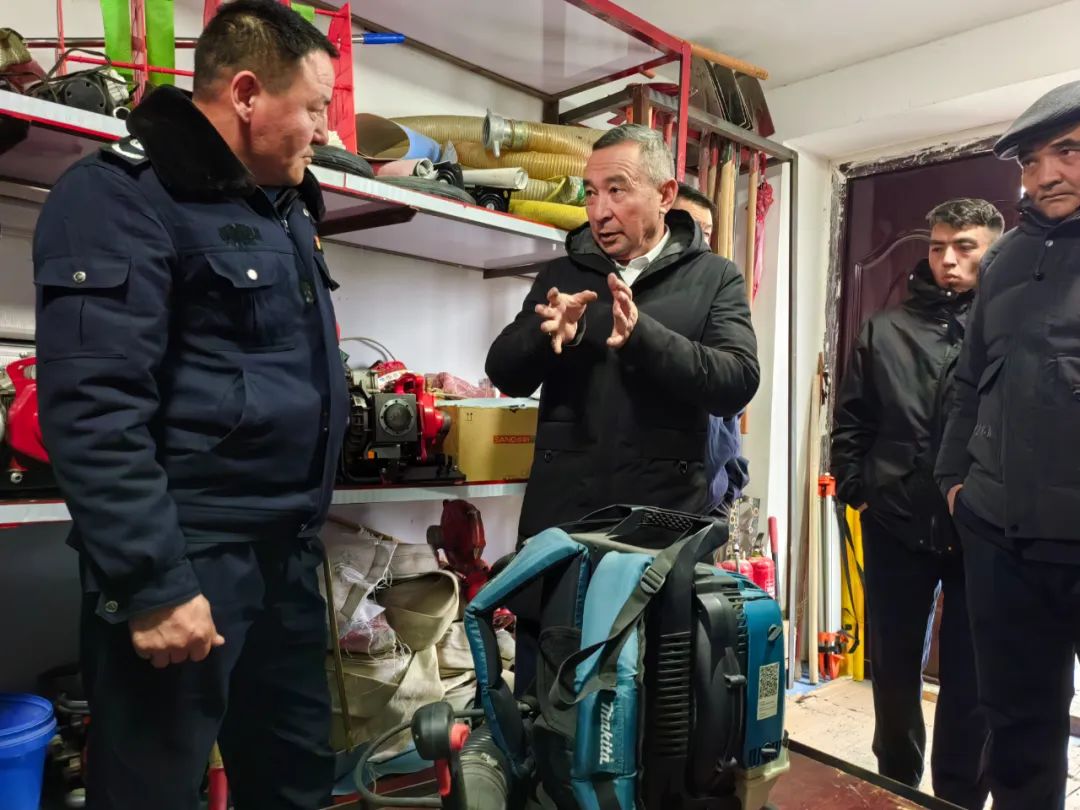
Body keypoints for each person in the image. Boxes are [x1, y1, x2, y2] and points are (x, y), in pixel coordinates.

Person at [32, 2, 347, 808]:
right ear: (246, 94)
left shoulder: (278, 206)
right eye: (314, 107)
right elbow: (94, 406)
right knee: (151, 790)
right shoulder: (120, 196)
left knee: (297, 783)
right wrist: (155, 583)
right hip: (189, 556)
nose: (324, 131)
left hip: (285, 555)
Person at [485, 125, 759, 540]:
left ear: (665, 195)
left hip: (661, 525)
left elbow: (737, 382)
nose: (599, 212)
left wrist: (642, 336)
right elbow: (504, 374)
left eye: (616, 191)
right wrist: (546, 336)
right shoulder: (563, 275)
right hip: (561, 522)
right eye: (591, 193)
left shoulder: (715, 277)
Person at [936, 80, 1080, 810]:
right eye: (1029, 161)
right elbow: (970, 382)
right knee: (1018, 731)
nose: (1044, 175)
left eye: (1068, 151)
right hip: (1000, 536)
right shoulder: (1005, 260)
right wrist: (954, 485)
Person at [831, 198, 1004, 809]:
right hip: (896, 522)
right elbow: (851, 422)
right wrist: (859, 490)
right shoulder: (885, 329)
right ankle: (896, 782)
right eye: (937, 247)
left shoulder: (1007, 328)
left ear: (993, 251)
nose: (947, 259)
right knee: (894, 668)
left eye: (965, 247)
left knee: (971, 674)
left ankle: (959, 795)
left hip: (981, 528)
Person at [673, 182, 750, 517]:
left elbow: (731, 409)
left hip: (708, 502)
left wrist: (729, 488)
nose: (700, 242)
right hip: (653, 500)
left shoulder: (720, 294)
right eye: (690, 228)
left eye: (706, 232)